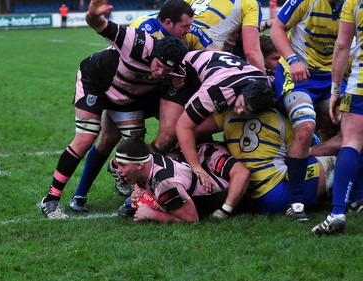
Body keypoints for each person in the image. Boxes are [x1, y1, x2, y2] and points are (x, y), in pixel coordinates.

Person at [39, 0, 189, 219]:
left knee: (137, 148)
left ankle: (131, 195)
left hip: (126, 97)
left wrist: (177, 81)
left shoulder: (176, 70)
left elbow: (179, 80)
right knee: (85, 138)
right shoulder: (135, 41)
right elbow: (97, 24)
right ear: (154, 53)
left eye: (167, 71)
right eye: (158, 66)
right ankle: (51, 200)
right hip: (96, 82)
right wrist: (93, 14)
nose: (159, 73)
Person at [69, 0, 214, 212]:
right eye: (185, 26)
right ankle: (88, 188)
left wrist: (183, 78)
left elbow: (212, 56)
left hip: (165, 88)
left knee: (170, 135)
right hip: (128, 88)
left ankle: (139, 193)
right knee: (108, 138)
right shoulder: (142, 29)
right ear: (168, 23)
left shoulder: (193, 33)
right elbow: (123, 61)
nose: (189, 30)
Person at [270, 0, 344, 221]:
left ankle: (352, 195)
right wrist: (293, 60)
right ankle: (295, 201)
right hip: (298, 77)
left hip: (333, 78)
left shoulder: (354, 5)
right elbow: (276, 28)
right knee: (305, 126)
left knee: (353, 129)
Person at [195, 107, 337, 214]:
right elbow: (299, 156)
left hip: (250, 196)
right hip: (277, 193)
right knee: (336, 162)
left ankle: (325, 194)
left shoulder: (226, 115)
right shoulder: (280, 120)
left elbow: (194, 128)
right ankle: (352, 197)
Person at [175, 50, 275, 191]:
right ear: (241, 93)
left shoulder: (268, 84)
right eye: (241, 105)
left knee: (199, 131)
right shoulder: (217, 91)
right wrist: (196, 167)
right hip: (185, 70)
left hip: (222, 69)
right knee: (170, 134)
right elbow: (182, 127)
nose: (239, 111)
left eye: (247, 111)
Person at [312, 0, 363, 235]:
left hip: (360, 85)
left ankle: (338, 212)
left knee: (352, 141)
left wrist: (335, 91)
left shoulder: (352, 2)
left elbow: (342, 45)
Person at [114, 137, 250, 222]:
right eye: (117, 165)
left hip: (230, 198)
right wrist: (139, 194)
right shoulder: (150, 160)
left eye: (123, 165)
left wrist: (153, 215)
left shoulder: (165, 183)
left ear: (139, 165)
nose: (118, 170)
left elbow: (192, 220)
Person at [185, 0, 266, 73]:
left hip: (179, 41)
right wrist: (264, 82)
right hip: (206, 57)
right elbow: (251, 52)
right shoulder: (249, 3)